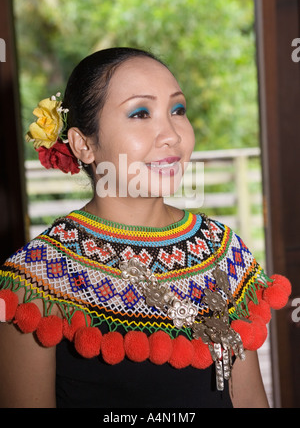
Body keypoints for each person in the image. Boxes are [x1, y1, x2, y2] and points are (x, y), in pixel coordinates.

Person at [0, 47, 291, 409]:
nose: (170, 134)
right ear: (84, 145)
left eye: (178, 110)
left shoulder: (223, 251)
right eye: (140, 113)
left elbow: (248, 400)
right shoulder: (36, 279)